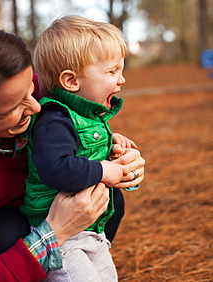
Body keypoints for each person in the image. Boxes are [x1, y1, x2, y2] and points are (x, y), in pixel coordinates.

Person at [0, 21, 145, 282]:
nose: (36, 107)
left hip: (58, 216)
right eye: (12, 108)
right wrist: (56, 231)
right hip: (16, 237)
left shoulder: (49, 93)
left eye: (30, 88)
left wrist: (119, 159)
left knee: (111, 199)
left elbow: (82, 130)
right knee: (2, 231)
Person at [21, 15, 144, 282]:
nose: (121, 80)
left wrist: (110, 146)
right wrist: (104, 169)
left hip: (90, 229)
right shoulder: (54, 120)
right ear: (71, 81)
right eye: (112, 72)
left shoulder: (86, 118)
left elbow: (80, 149)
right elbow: (57, 169)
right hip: (63, 237)